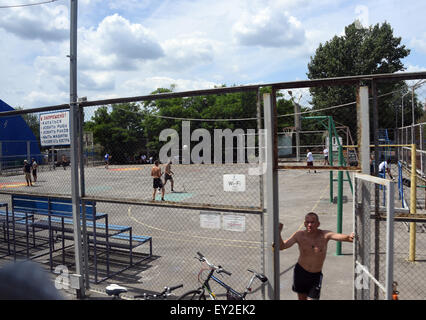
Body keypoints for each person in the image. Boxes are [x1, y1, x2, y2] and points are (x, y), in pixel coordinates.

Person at [274, 212, 354, 300]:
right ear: (304, 223)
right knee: (301, 298)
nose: (309, 225)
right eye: (307, 222)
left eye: (312, 222)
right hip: (300, 272)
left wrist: (350, 237)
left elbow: (342, 237)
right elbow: (282, 246)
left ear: (318, 224)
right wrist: (278, 233)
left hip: (315, 275)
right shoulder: (299, 235)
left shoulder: (325, 235)